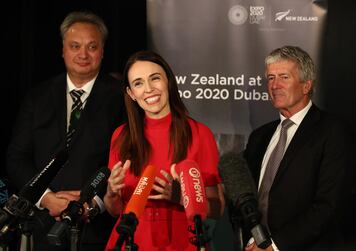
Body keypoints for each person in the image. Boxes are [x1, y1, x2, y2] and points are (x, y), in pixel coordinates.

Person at [6, 11, 126, 250]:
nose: (83, 54)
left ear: (102, 51)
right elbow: (16, 158)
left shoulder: (122, 98)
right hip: (42, 227)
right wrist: (46, 197)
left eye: (92, 47)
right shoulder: (37, 97)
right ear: (63, 50)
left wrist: (92, 202)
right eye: (75, 46)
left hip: (98, 231)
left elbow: (127, 159)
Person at [103, 50, 225, 250]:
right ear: (131, 94)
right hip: (133, 242)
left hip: (183, 242)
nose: (149, 89)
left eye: (155, 78)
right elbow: (116, 211)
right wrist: (111, 193)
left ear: (168, 81)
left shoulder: (200, 133)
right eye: (139, 83)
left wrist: (180, 196)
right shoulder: (121, 136)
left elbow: (217, 208)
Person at [243, 46, 356, 251]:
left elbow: (328, 206)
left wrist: (275, 246)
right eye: (270, 78)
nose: (274, 85)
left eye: (284, 77)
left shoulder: (332, 132)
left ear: (306, 85)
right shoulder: (259, 137)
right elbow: (246, 197)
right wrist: (254, 241)